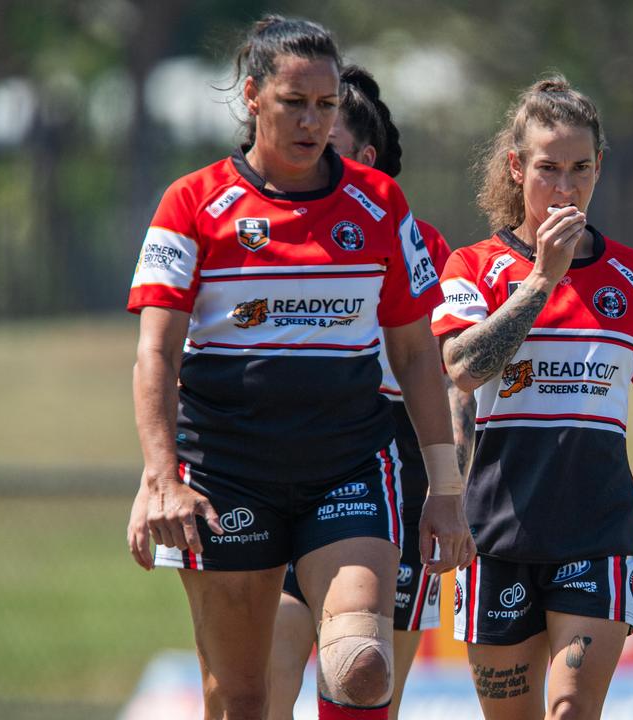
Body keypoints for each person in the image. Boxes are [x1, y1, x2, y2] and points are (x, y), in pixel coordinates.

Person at [125, 16, 473, 720]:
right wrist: (160, 480)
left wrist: (445, 487)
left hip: (348, 463)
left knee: (362, 664)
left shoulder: (379, 204)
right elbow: (158, 353)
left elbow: (415, 354)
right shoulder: (191, 204)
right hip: (226, 472)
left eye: (325, 105)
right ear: (252, 96)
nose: (313, 121)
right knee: (241, 698)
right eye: (295, 103)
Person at [431, 75, 633, 719]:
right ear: (515, 167)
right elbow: (463, 367)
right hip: (495, 533)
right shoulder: (472, 269)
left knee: (570, 711)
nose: (565, 187)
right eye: (548, 169)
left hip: (598, 531)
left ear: (599, 166)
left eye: (581, 168)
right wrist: (540, 283)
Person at [264, 64, 461, 720]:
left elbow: (440, 367)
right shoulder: (266, 227)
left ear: (366, 159)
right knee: (256, 690)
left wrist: (445, 491)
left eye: (331, 138)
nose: (311, 146)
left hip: (385, 488)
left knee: (362, 686)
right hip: (273, 477)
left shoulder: (417, 243)